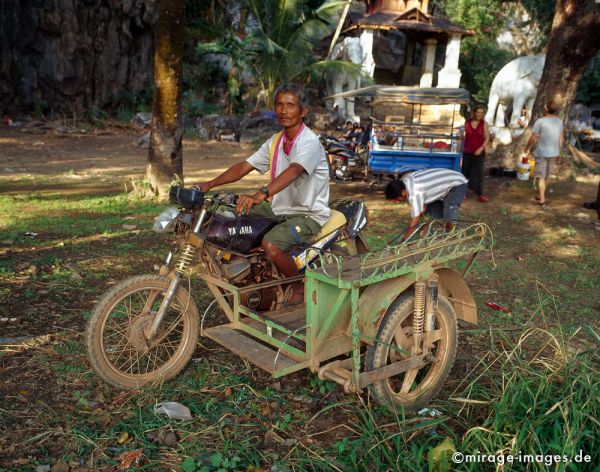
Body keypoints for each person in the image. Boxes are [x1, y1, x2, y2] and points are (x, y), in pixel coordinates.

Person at [194, 84, 330, 305]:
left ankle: (298, 285)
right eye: (279, 105)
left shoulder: (310, 142)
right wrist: (209, 184)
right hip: (278, 207)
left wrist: (261, 194)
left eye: (290, 105)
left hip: (308, 214)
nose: (284, 111)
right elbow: (244, 166)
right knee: (231, 217)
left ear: (303, 111)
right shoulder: (276, 141)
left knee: (271, 244)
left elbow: (294, 171)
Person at [384, 169, 468, 241]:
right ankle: (435, 233)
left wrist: (404, 240)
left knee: (450, 210)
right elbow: (421, 210)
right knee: (431, 213)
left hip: (457, 183)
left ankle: (451, 236)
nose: (397, 202)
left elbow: (415, 222)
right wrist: (417, 226)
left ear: (403, 192)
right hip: (443, 187)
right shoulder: (404, 181)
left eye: (397, 199)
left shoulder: (415, 192)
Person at [525, 100, 564, 207]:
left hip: (542, 153)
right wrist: (559, 153)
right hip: (553, 153)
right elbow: (561, 138)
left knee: (541, 177)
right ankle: (540, 195)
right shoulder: (559, 121)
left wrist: (527, 147)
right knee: (547, 176)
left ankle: (542, 200)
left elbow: (533, 138)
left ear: (546, 109)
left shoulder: (540, 121)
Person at [462, 105, 490, 202]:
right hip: (466, 151)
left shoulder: (484, 124)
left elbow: (487, 138)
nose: (479, 114)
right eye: (478, 112)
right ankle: (463, 193)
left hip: (479, 152)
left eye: (481, 113)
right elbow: (462, 136)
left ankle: (481, 194)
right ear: (474, 113)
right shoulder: (467, 123)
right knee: (465, 172)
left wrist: (481, 148)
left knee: (480, 173)